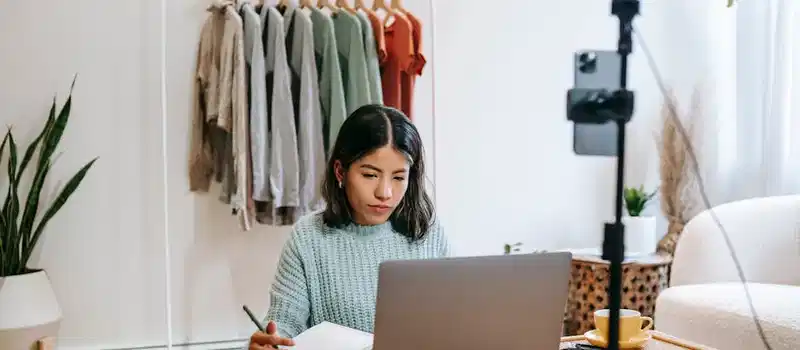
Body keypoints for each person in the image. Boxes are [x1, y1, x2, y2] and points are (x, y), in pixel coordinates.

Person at [248, 104, 450, 349]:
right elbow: (283, 325)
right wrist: (267, 342)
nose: (384, 192)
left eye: (398, 177)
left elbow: (454, 319)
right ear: (340, 172)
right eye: (370, 175)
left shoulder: (428, 233)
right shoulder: (308, 238)